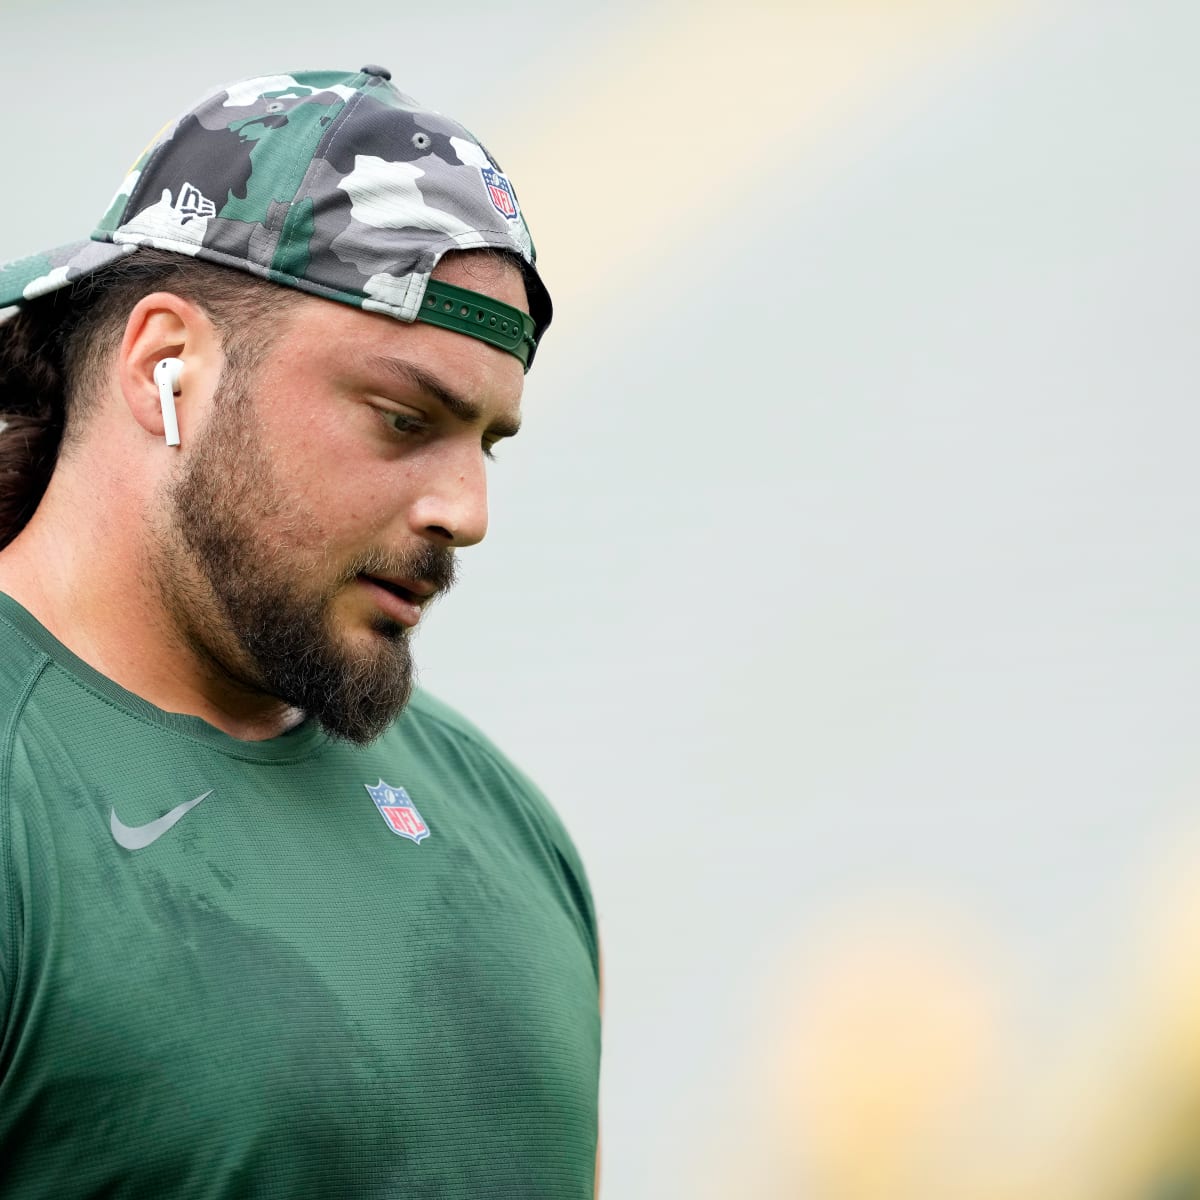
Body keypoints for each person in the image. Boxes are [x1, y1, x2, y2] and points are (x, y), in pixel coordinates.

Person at [0, 67, 600, 1198]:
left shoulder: (507, 826)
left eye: (489, 441)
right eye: (403, 419)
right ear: (163, 364)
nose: (465, 513)